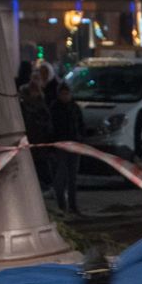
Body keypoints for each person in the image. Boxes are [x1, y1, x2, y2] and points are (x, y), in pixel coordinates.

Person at [48, 82, 84, 215]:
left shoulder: (74, 107)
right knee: (61, 177)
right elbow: (51, 129)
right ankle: (62, 206)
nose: (65, 96)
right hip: (60, 146)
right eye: (63, 94)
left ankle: (73, 206)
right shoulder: (55, 108)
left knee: (73, 177)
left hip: (74, 145)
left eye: (67, 93)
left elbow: (80, 124)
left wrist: (80, 139)